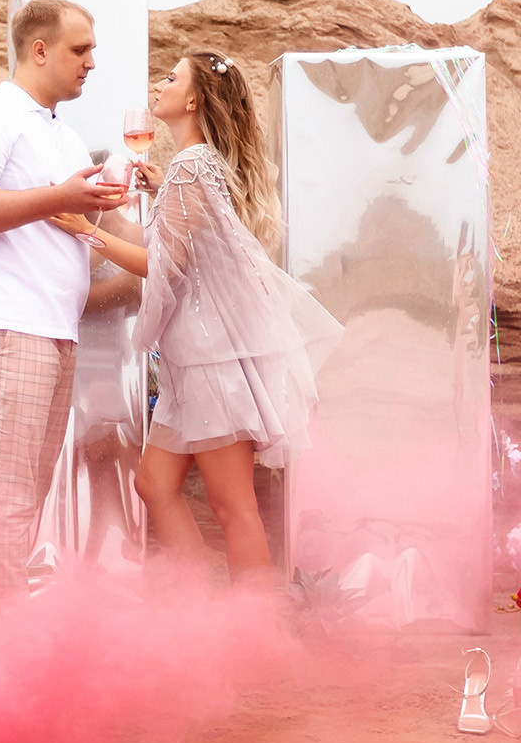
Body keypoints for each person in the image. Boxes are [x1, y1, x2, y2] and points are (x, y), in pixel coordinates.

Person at [52, 51, 340, 583]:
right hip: (196, 359)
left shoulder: (191, 167)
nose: (158, 86)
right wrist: (160, 193)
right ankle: (198, 615)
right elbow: (192, 245)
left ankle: (252, 631)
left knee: (233, 505)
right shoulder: (193, 167)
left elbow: (164, 267)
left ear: (193, 99)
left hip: (210, 361)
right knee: (155, 484)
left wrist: (86, 230)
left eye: (170, 77)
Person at [0, 0, 130, 600]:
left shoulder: (66, 139)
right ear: (38, 49)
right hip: (2, 329)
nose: (92, 63)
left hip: (49, 332)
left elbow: (64, 245)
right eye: (81, 50)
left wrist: (110, 223)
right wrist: (59, 197)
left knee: (25, 507)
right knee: (3, 510)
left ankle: (3, 655)